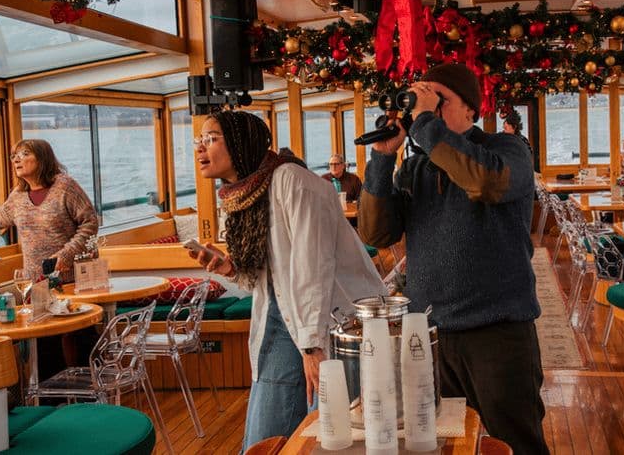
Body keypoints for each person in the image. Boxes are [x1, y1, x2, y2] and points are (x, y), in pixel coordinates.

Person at [358, 63, 549, 454]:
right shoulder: (416, 167)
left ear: (471, 110)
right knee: (444, 442)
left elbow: (484, 181)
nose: (424, 111)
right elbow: (376, 234)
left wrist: (426, 123)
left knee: (515, 442)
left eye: (438, 100)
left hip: (496, 333)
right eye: (420, 102)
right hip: (430, 334)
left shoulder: (506, 150)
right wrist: (381, 160)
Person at [190, 110, 386, 450]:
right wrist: (231, 270)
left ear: (240, 144)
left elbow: (314, 266)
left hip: (334, 320)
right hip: (283, 322)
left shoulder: (291, 180)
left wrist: (312, 346)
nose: (200, 148)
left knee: (329, 432)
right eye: (199, 140)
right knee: (265, 435)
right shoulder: (244, 197)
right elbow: (271, 281)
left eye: (211, 139)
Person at [0, 139, 98, 282]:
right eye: (14, 156)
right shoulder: (18, 196)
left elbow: (90, 223)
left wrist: (68, 254)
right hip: (36, 284)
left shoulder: (65, 186)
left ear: (42, 159)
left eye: (24, 154)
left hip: (74, 278)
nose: (16, 160)